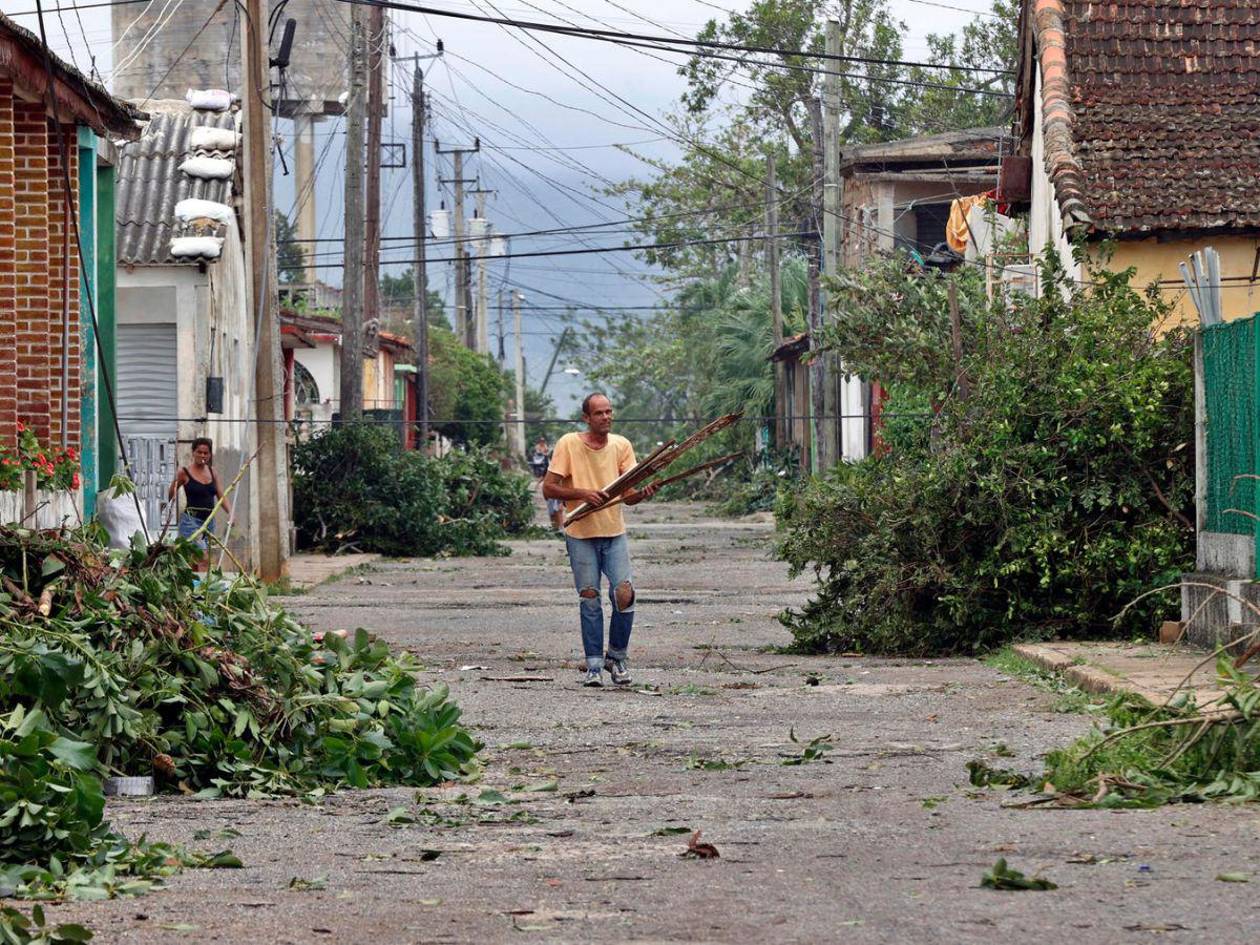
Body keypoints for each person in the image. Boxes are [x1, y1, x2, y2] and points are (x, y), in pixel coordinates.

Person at [543, 393, 659, 687]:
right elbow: (548, 488)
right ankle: (594, 664)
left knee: (624, 594)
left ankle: (616, 658)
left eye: (609, 412)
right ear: (586, 418)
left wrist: (643, 494)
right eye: (599, 413)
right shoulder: (569, 443)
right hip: (580, 534)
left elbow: (628, 495)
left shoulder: (622, 445)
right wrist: (583, 493)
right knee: (590, 597)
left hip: (613, 532)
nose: (606, 417)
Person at [168, 437, 231, 571]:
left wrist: (230, 513)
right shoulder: (184, 473)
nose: (202, 455)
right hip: (191, 521)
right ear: (193, 452)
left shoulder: (213, 472)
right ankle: (201, 583)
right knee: (202, 557)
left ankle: (194, 583)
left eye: (205, 453)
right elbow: (171, 492)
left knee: (195, 560)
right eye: (199, 452)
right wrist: (168, 505)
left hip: (209, 523)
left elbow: (221, 495)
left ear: (209, 455)